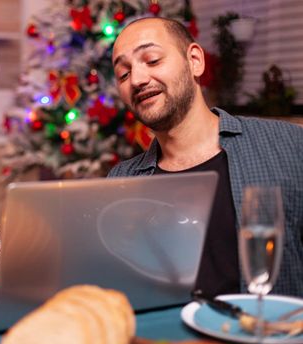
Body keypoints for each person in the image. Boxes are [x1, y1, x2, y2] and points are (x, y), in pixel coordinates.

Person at [109, 17, 303, 297]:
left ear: (195, 61)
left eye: (151, 60)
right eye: (124, 74)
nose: (137, 79)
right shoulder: (121, 182)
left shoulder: (289, 146)